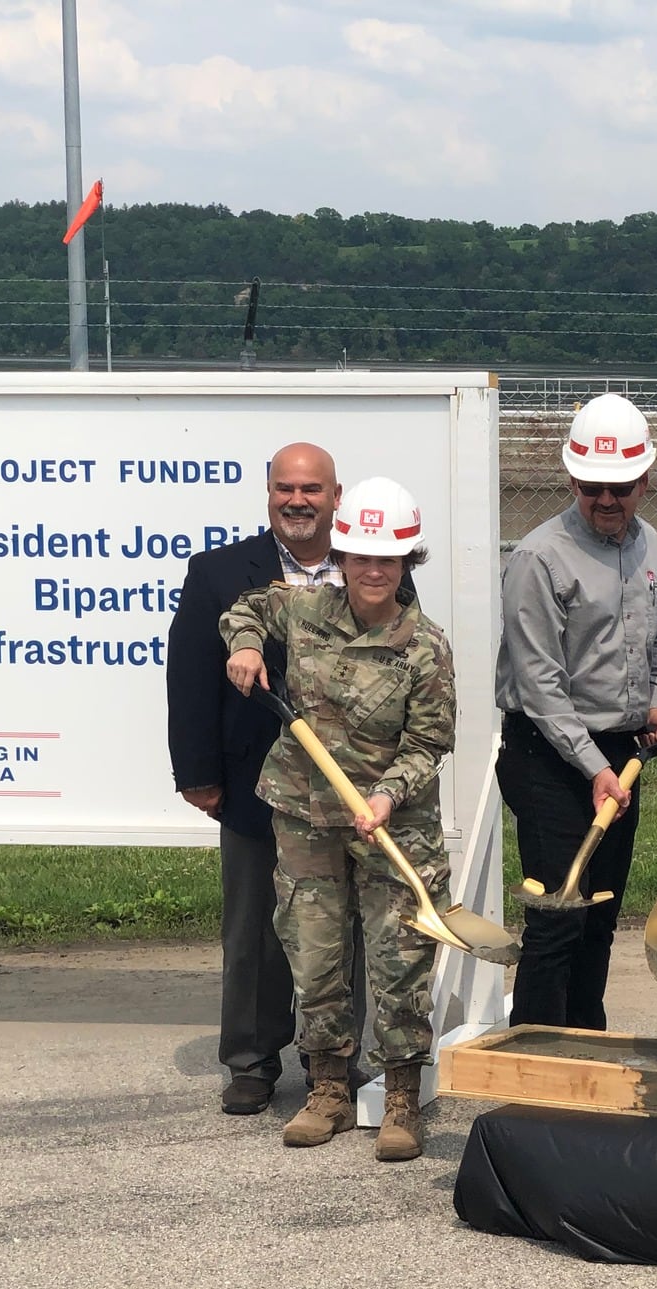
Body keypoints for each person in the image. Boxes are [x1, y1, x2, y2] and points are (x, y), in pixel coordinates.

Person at [221, 477, 455, 1163]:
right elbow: (244, 609)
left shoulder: (424, 647)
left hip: (393, 821)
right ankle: (326, 1087)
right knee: (314, 952)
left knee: (400, 957)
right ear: (343, 555)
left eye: (389, 558)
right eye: (360, 555)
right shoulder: (302, 609)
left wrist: (386, 794)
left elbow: (428, 742)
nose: (374, 571)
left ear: (408, 561)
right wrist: (245, 646)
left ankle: (403, 1096)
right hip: (307, 812)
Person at [167, 441, 370, 1115]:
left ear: (336, 498)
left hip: (347, 787)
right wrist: (198, 776)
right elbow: (191, 680)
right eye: (285, 488)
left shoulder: (371, 568)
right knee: (254, 930)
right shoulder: (220, 572)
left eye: (312, 489)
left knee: (341, 930)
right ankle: (252, 1060)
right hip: (255, 787)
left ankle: (331, 1060)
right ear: (269, 494)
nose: (298, 501)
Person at [496, 393, 657, 1032]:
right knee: (557, 917)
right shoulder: (539, 557)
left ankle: (586, 1045)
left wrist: (656, 704)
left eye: (622, 488)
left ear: (645, 481)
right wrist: (594, 766)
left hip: (619, 757)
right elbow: (539, 682)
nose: (608, 500)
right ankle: (539, 1056)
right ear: (572, 478)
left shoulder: (649, 542)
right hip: (549, 760)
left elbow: (655, 638)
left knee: (599, 914)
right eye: (594, 487)